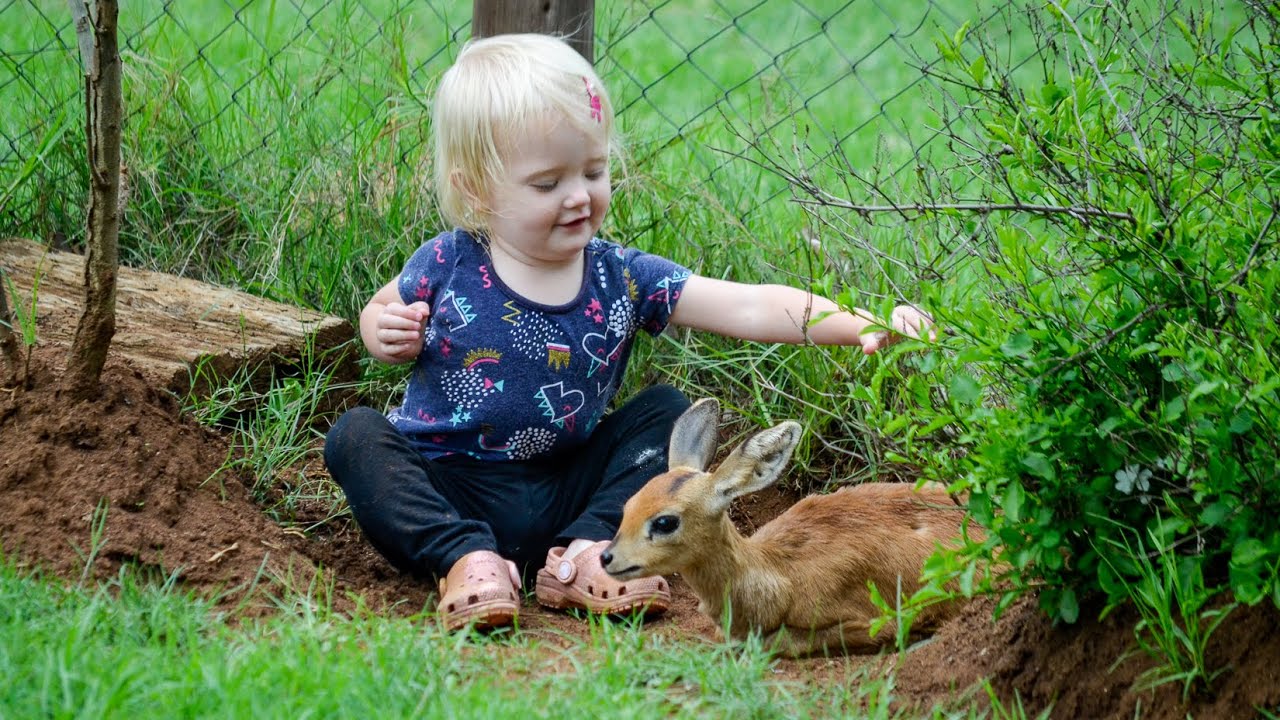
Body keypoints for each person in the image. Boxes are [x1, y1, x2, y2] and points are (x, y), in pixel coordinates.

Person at [323, 33, 933, 632]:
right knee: (356, 436)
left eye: (593, 170)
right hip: (449, 482)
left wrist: (862, 324)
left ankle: (583, 554)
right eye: (547, 183)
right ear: (476, 190)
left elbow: (748, 307)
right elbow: (383, 310)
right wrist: (382, 330)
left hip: (568, 486)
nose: (578, 197)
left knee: (664, 411)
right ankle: (465, 559)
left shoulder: (623, 276)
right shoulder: (447, 261)